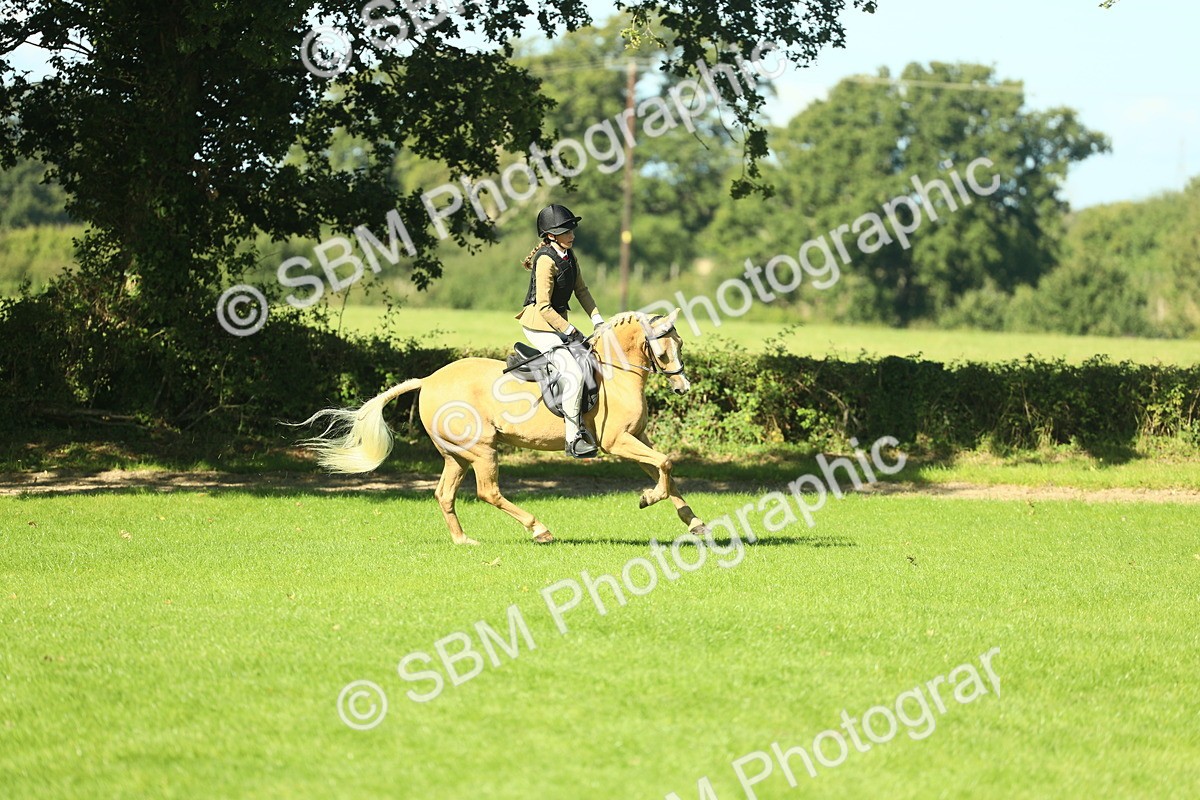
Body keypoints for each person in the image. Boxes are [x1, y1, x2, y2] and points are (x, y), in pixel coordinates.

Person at [515, 204, 605, 458]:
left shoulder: (569, 255)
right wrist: (570, 330)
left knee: (593, 361)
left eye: (571, 229)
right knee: (574, 373)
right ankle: (572, 438)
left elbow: (582, 291)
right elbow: (543, 307)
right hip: (539, 326)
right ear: (551, 235)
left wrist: (598, 319)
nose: (572, 234)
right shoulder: (544, 260)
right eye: (566, 231)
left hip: (557, 324)